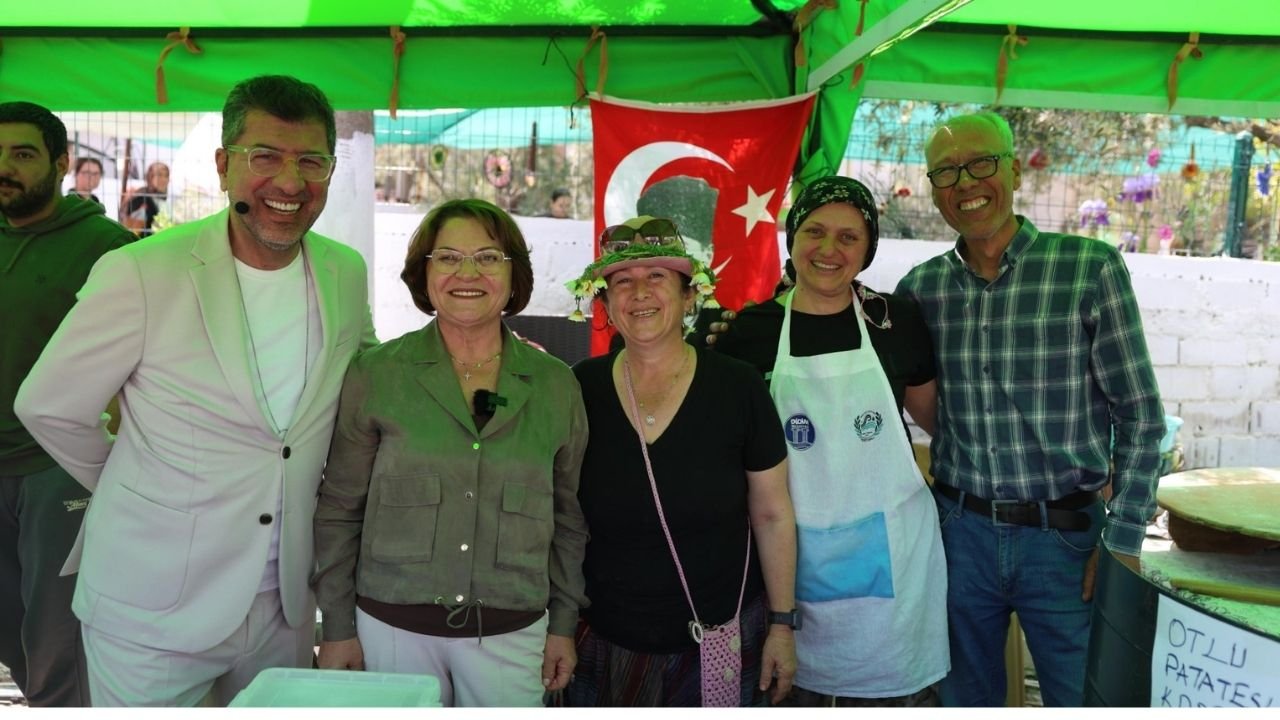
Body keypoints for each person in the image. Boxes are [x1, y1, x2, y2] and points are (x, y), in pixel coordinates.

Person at [14, 75, 378, 707]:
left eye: (310, 161)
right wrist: (141, 482)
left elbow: (363, 381)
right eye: (265, 156)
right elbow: (48, 404)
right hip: (151, 602)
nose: (289, 183)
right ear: (223, 166)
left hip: (284, 602)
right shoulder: (142, 270)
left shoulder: (344, 270)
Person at [895, 110, 1165, 706]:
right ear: (934, 188)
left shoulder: (1089, 270)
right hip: (958, 536)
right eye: (946, 171)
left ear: (1015, 170)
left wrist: (1122, 537)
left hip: (1067, 543)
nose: (966, 183)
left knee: (1084, 702)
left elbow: (1142, 415)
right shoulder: (921, 290)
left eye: (981, 163)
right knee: (964, 703)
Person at [312, 198, 589, 707]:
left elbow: (568, 517)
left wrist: (564, 623)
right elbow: (338, 509)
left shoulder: (555, 386)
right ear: (424, 271)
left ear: (513, 274)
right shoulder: (377, 375)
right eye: (448, 257)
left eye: (488, 257)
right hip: (391, 629)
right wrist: (336, 625)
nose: (468, 272)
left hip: (512, 632)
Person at [713, 176, 948, 707]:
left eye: (849, 237)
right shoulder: (753, 330)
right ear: (792, 239)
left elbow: (937, 424)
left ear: (867, 250)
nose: (829, 249)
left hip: (893, 560)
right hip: (786, 559)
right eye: (815, 231)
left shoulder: (895, 322)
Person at [563, 216, 797, 707]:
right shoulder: (578, 388)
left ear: (690, 296)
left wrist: (782, 623)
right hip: (606, 642)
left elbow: (773, 513)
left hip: (719, 640)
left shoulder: (739, 387)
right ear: (604, 302)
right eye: (622, 281)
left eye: (657, 277)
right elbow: (562, 518)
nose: (639, 292)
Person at [0, 102, 135, 708]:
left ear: (60, 165)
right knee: (9, 626)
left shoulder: (109, 250)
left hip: (59, 471)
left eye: (22, 154)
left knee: (56, 634)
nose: (5, 167)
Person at [123, 161, 168, 236]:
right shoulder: (141, 199)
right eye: (159, 175)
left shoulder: (159, 199)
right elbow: (133, 232)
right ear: (150, 177)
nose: (164, 179)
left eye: (166, 175)